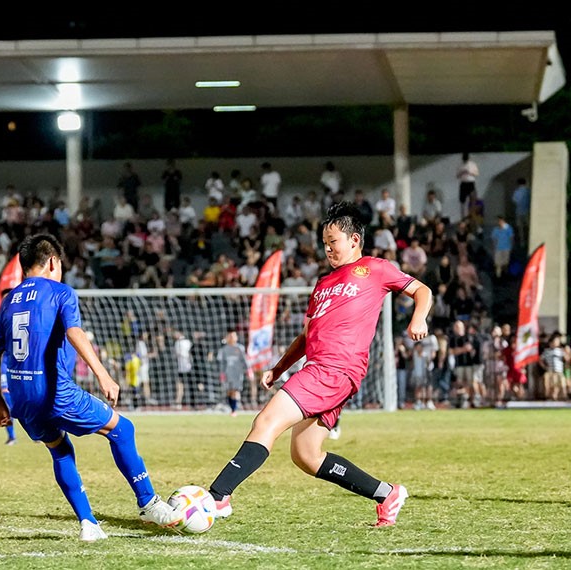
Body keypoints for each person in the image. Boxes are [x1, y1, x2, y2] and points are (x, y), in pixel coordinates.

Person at [205, 201, 432, 527]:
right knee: (306, 456)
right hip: (320, 369)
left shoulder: (375, 268)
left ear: (354, 240)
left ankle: (218, 495)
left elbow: (421, 290)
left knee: (267, 421)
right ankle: (387, 494)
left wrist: (418, 318)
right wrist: (279, 368)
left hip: (336, 369)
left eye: (333, 241)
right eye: (324, 242)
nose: (327, 248)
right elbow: (306, 335)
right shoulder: (323, 284)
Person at [0, 234, 180, 541]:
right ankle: (148, 503)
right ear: (53, 262)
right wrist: (103, 374)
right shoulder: (61, 292)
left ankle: (89, 523)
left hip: (21, 400)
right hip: (55, 392)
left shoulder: (8, 301)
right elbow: (74, 332)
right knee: (123, 429)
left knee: (60, 450)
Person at [217, 329, 252, 417]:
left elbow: (244, 360)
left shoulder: (240, 348)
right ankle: (232, 408)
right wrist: (222, 374)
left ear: (236, 337)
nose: (232, 338)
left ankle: (234, 410)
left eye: (233, 336)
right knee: (229, 391)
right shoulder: (224, 349)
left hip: (237, 374)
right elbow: (222, 363)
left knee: (235, 391)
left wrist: (249, 370)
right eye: (230, 336)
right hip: (227, 374)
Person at [457, 152, 480, 219]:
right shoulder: (460, 165)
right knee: (462, 202)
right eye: (464, 160)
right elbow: (457, 176)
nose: (465, 161)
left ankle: (472, 216)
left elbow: (477, 174)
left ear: (468, 159)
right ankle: (463, 217)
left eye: (466, 160)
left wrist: (470, 172)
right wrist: (462, 172)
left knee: (473, 200)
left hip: (471, 183)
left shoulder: (473, 164)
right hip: (463, 183)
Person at [511, 177, 531, 245]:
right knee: (529, 226)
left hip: (518, 211)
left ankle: (522, 241)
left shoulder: (517, 191)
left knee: (520, 227)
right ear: (525, 183)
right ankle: (530, 239)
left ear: (518, 184)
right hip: (527, 211)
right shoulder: (528, 191)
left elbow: (514, 201)